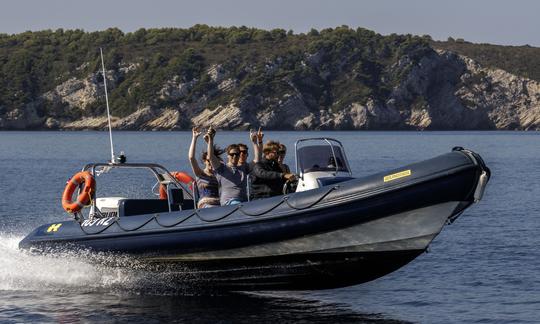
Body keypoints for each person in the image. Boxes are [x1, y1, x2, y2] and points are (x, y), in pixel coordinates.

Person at [206, 127, 249, 205]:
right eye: (232, 154)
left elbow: (257, 159)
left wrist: (257, 142)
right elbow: (211, 156)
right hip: (228, 203)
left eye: (237, 154)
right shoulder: (221, 168)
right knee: (236, 203)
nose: (235, 156)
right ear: (228, 156)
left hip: (243, 203)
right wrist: (210, 139)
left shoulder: (243, 168)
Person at [188, 126, 221, 208]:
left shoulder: (219, 173)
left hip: (220, 203)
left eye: (211, 160)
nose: (210, 162)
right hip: (206, 205)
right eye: (208, 161)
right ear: (204, 161)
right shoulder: (200, 173)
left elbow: (212, 155)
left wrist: (210, 140)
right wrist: (194, 138)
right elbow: (191, 158)